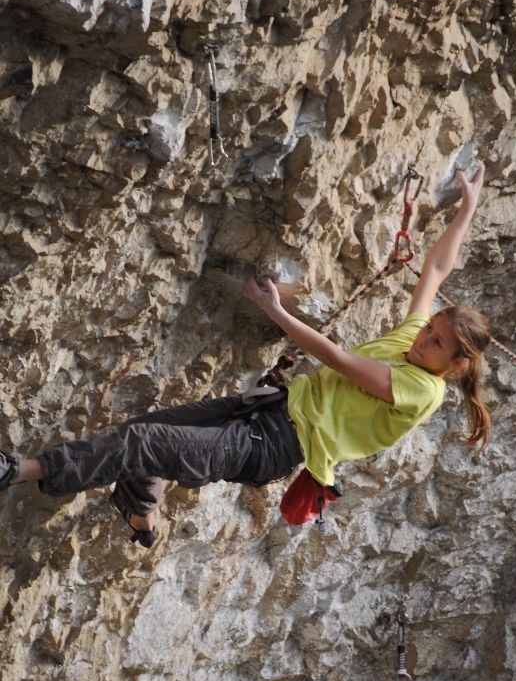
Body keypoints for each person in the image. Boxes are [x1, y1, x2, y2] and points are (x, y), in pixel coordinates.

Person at [0, 166, 490, 546]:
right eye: (430, 327)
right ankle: (141, 514)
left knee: (142, 443)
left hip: (273, 445)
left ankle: (16, 470)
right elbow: (434, 272)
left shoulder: (422, 389)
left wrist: (272, 308)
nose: (422, 337)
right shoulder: (413, 344)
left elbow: (339, 361)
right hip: (265, 409)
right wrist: (467, 208)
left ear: (456, 364)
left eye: (435, 342)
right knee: (140, 432)